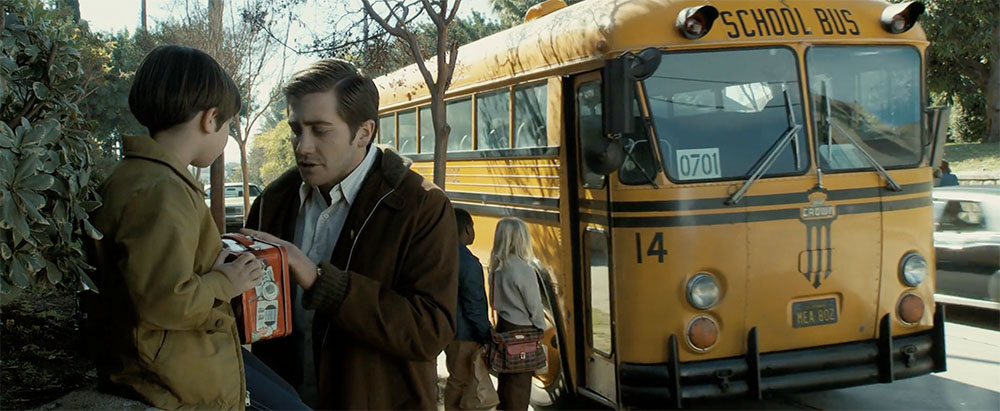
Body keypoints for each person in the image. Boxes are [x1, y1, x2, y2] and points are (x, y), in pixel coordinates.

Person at [84, 45, 307, 410]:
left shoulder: (137, 177)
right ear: (209, 119)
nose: (227, 138)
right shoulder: (162, 191)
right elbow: (163, 300)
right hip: (172, 375)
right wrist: (226, 282)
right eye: (228, 125)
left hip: (169, 359)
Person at [240, 58, 459, 409]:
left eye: (320, 130)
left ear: (364, 133)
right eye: (296, 129)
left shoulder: (421, 206)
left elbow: (430, 330)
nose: (302, 146)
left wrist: (319, 281)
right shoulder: (273, 201)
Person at [488, 217, 545, 411]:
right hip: (523, 330)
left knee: (506, 382)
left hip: (503, 326)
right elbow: (534, 304)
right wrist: (540, 326)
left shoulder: (496, 267)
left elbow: (493, 301)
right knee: (520, 386)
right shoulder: (524, 269)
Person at [444, 208, 493, 410]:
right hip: (465, 333)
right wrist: (485, 333)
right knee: (461, 382)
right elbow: (474, 305)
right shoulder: (469, 263)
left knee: (457, 380)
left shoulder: (443, 255)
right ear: (466, 229)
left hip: (448, 329)